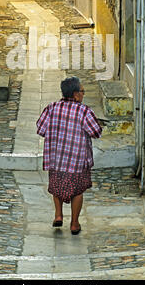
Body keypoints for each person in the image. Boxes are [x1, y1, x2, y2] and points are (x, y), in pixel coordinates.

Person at [36, 76, 102, 235]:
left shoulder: (51, 108)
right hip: (77, 160)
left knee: (57, 187)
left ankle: (58, 215)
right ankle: (74, 223)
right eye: (82, 91)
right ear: (75, 94)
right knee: (77, 191)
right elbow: (96, 132)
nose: (83, 94)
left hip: (57, 158)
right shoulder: (84, 111)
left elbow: (41, 128)